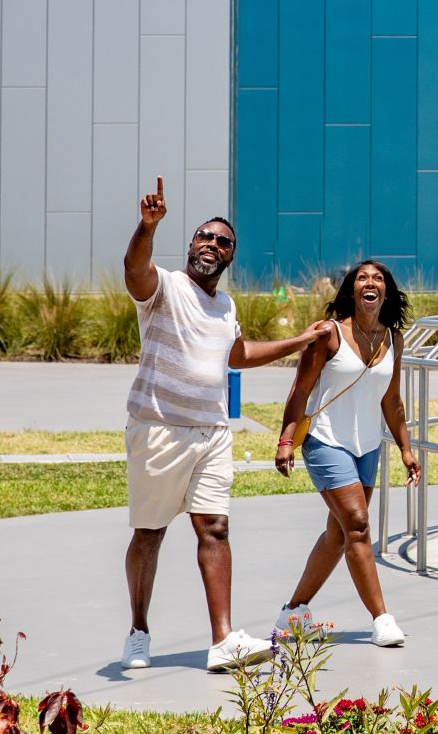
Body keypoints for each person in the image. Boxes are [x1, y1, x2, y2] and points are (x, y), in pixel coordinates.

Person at [119, 179, 330, 673]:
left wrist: (300, 341)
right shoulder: (165, 287)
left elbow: (238, 354)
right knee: (149, 534)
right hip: (159, 429)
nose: (211, 244)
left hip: (212, 433)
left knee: (215, 527)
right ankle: (138, 631)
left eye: (222, 241)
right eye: (203, 237)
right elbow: (134, 270)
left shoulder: (225, 307)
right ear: (190, 245)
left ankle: (223, 640)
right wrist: (146, 227)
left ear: (231, 256)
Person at [272, 260, 423, 646]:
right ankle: (382, 618)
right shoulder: (329, 334)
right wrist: (287, 439)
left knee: (338, 534)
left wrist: (406, 448)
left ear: (386, 291)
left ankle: (293, 611)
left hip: (367, 445)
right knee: (357, 524)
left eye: (377, 279)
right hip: (326, 440)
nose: (369, 283)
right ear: (351, 290)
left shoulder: (394, 339)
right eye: (362, 278)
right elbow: (300, 390)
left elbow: (392, 400)